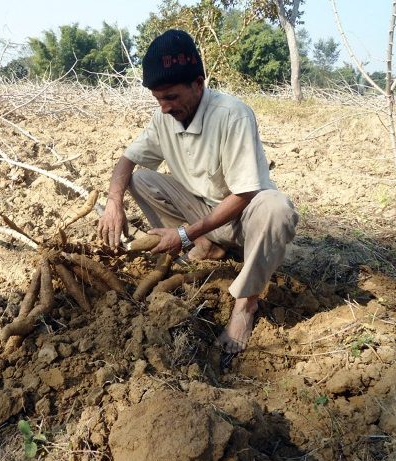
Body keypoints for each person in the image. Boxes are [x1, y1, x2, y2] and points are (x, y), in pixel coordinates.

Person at [98, 29, 298, 354]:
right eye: (158, 99)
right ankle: (206, 246)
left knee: (278, 209)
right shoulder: (164, 118)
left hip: (243, 219)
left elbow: (245, 194)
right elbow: (127, 162)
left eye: (171, 97)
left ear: (199, 84)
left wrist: (185, 233)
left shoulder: (232, 115)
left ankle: (245, 305)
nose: (164, 108)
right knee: (141, 179)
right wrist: (113, 204)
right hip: (201, 213)